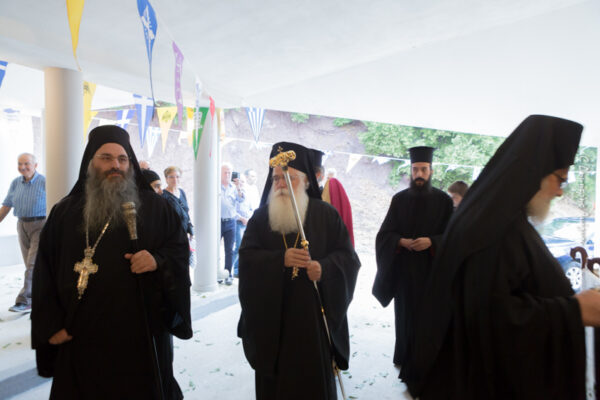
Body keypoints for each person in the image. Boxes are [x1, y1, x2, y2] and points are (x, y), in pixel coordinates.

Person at [406, 115, 595, 399]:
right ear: (536, 170)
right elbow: (490, 321)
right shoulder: (492, 231)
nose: (559, 192)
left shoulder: (499, 221)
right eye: (560, 179)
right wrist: (574, 310)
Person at [31, 125, 192, 399]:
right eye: (106, 158)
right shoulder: (64, 213)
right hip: (81, 335)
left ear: (130, 164)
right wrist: (50, 323)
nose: (115, 165)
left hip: (139, 335)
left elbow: (178, 253)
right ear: (91, 162)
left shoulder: (158, 209)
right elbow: (44, 272)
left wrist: (157, 260)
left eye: (122, 159)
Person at [238, 141, 360, 400]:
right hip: (273, 322)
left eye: (289, 178)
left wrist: (324, 269)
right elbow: (246, 261)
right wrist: (279, 260)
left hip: (312, 323)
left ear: (305, 181)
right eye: (276, 178)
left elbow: (348, 259)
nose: (281, 184)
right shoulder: (260, 218)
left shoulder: (327, 215)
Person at [373, 146, 453, 369]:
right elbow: (384, 235)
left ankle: (426, 361)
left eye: (424, 170)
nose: (419, 174)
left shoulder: (444, 201)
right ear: (410, 170)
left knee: (429, 317)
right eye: (415, 169)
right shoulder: (399, 200)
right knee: (404, 317)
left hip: (431, 272)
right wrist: (401, 241)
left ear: (431, 171)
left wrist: (432, 242)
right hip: (405, 272)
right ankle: (404, 357)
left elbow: (453, 236)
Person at [0, 153, 46, 313]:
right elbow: (7, 205)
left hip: (40, 225)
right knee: (30, 264)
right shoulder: (15, 183)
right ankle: (39, 294)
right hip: (21, 225)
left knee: (32, 265)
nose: (22, 167)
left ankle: (24, 300)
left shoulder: (44, 182)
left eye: (26, 163)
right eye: (20, 164)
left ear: (35, 165)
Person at [221, 162, 241, 285]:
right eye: (225, 172)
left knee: (229, 250)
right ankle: (216, 273)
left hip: (231, 222)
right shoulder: (215, 186)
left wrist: (238, 187)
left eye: (229, 172)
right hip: (217, 222)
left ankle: (228, 274)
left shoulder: (234, 187)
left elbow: (241, 199)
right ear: (220, 173)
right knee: (214, 249)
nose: (227, 174)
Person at [162, 166, 193, 239]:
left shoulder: (182, 192)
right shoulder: (163, 195)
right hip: (172, 235)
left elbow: (186, 212)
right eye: (171, 177)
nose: (175, 179)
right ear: (166, 179)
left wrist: (190, 228)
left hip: (184, 232)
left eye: (177, 177)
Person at [232, 173, 253, 278]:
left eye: (244, 182)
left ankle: (238, 269)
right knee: (238, 247)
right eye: (240, 181)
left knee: (244, 247)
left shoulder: (246, 193)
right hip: (238, 223)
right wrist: (241, 218)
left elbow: (250, 208)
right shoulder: (234, 192)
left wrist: (249, 219)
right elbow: (232, 210)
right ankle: (232, 269)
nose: (242, 183)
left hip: (247, 223)